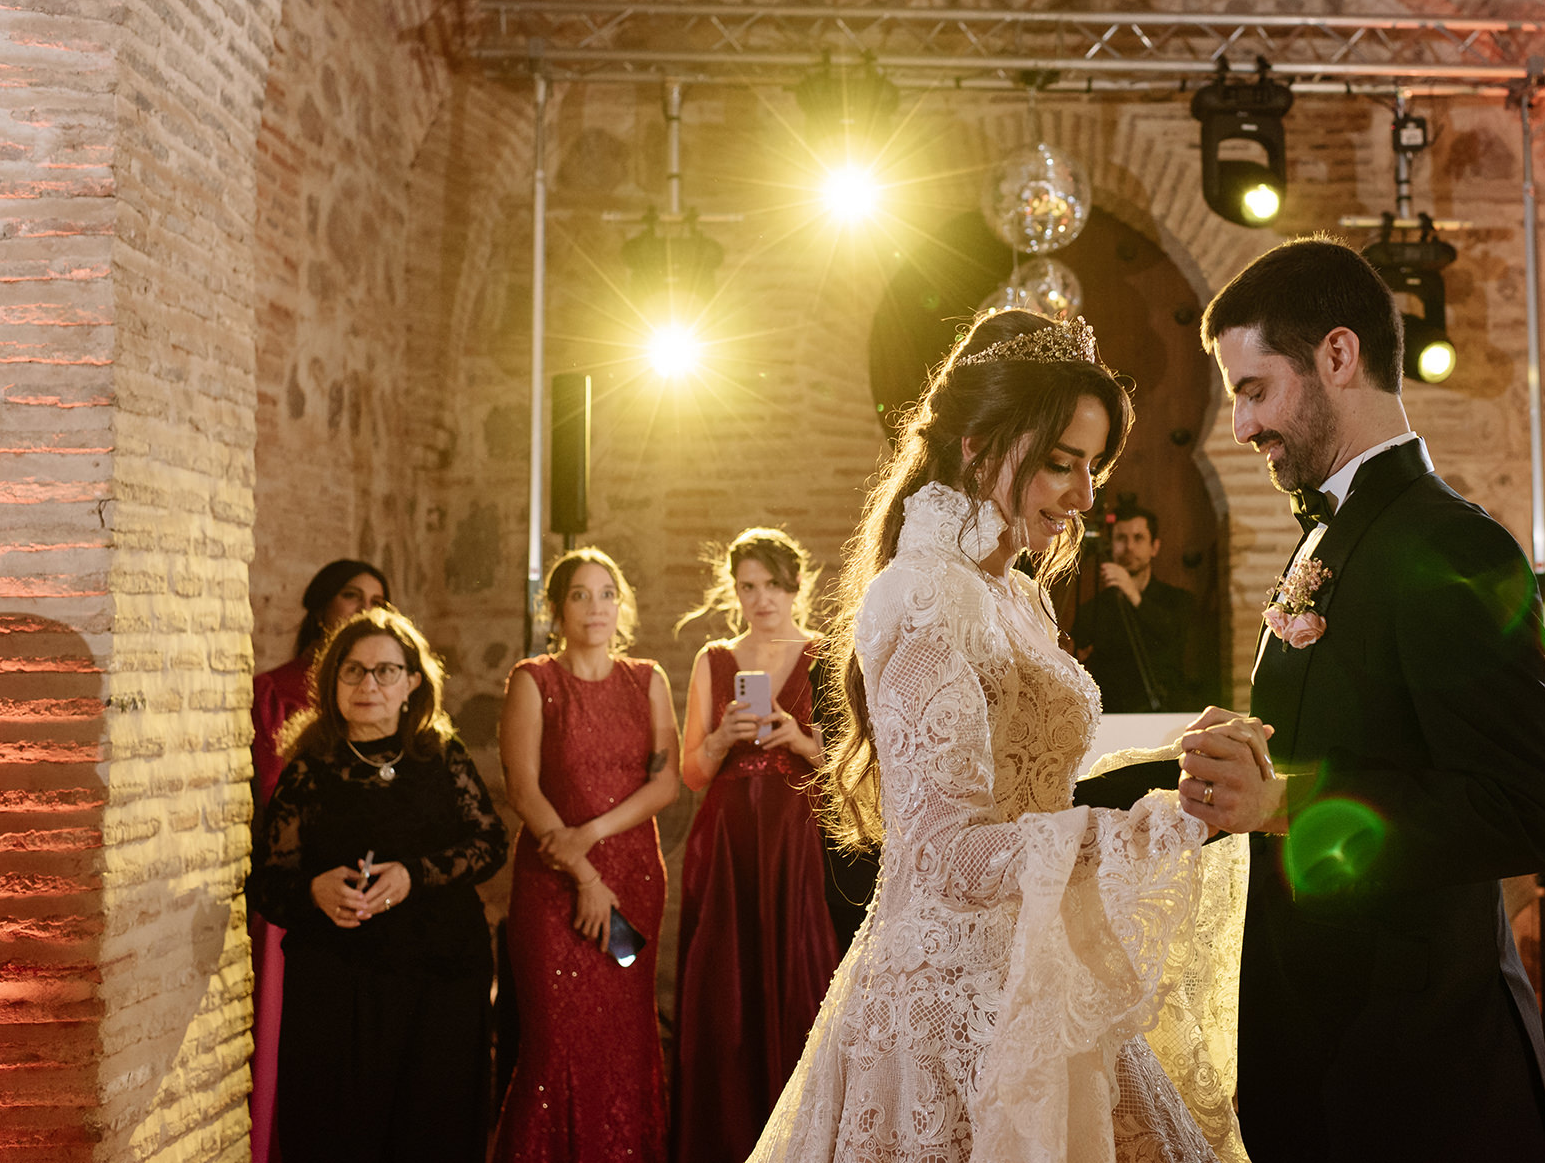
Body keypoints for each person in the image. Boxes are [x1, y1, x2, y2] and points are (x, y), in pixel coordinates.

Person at [1079, 236, 1545, 1162]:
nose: (1239, 426)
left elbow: (1532, 812)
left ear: (1338, 356)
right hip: (1322, 1039)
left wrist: (1288, 799)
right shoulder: (1326, 539)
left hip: (1422, 1066)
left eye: (1254, 389)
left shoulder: (1452, 546)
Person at [750, 308, 1240, 1162]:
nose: (1087, 496)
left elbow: (1028, 782)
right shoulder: (925, 595)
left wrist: (1169, 761)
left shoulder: (1013, 593)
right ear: (978, 446)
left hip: (1038, 972)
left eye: (1094, 466)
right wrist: (1154, 827)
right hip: (953, 1009)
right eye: (1062, 463)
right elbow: (947, 854)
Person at [247, 606, 508, 1163]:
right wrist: (315, 891)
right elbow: (268, 884)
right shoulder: (307, 770)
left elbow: (489, 844)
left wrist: (414, 875)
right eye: (354, 670)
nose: (369, 684)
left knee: (430, 1132)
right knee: (338, 1134)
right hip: (340, 987)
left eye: (385, 671)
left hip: (440, 981)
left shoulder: (443, 758)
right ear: (332, 681)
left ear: (413, 683)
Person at [492, 547, 680, 1162]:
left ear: (620, 606)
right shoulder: (533, 679)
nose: (594, 606)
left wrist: (592, 835)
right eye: (579, 594)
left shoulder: (648, 680)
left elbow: (665, 784)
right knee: (553, 1045)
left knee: (626, 1039)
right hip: (553, 887)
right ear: (557, 608)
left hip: (633, 883)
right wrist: (583, 874)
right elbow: (523, 789)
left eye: (606, 593)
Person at [671, 528, 843, 1163]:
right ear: (734, 590)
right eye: (747, 586)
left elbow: (854, 764)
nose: (760, 598)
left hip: (795, 840)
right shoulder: (715, 658)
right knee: (724, 992)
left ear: (795, 585)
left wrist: (799, 739)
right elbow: (691, 772)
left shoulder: (826, 656)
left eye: (771, 584)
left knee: (801, 978)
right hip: (727, 842)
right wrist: (721, 738)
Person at [247, 559, 389, 1163]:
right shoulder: (275, 690)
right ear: (321, 606)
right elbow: (262, 796)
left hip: (369, 888)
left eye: (378, 599)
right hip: (296, 891)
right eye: (351, 596)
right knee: (283, 1038)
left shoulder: (390, 698)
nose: (364, 608)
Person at [1071, 501, 1200, 712]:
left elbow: (1173, 636)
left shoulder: (1179, 600)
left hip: (1165, 713)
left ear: (1154, 547)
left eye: (1138, 538)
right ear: (1110, 545)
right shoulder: (1091, 609)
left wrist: (1132, 594)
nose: (1129, 547)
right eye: (1121, 538)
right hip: (1113, 717)